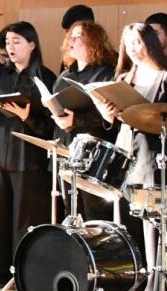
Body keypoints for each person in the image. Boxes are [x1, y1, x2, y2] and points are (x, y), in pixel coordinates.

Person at [99, 23, 167, 288]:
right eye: (128, 45)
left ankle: (159, 285)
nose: (133, 50)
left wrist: (145, 116)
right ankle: (131, 284)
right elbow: (115, 122)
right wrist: (108, 114)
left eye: (137, 43)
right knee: (125, 220)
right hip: (127, 152)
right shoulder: (124, 79)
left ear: (150, 43)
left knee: (155, 223)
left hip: (156, 156)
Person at [0, 22, 56, 286]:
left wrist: (27, 116)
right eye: (8, 42)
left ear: (32, 44)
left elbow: (50, 125)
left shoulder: (46, 77)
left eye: (17, 42)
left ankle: (27, 269)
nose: (10, 47)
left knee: (26, 217)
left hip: (28, 155)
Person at [49, 20, 120, 221]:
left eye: (78, 36)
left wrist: (77, 119)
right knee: (70, 209)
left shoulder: (106, 72)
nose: (71, 39)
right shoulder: (65, 74)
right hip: (66, 147)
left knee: (94, 211)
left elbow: (110, 114)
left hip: (94, 152)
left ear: (93, 41)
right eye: (70, 35)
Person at [60, 4, 96, 72]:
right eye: (70, 34)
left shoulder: (108, 61)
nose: (71, 40)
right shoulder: (69, 59)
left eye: (77, 35)